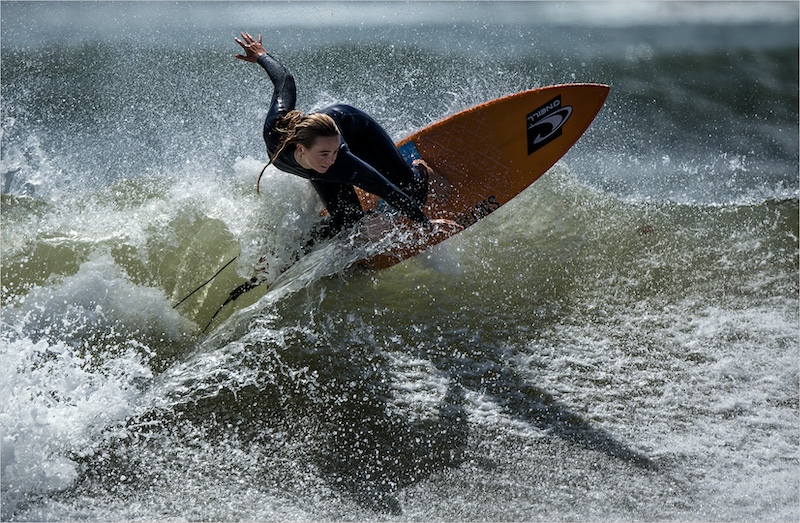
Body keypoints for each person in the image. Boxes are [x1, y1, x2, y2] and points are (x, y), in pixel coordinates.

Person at [235, 32, 448, 240]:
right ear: (301, 149)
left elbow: (385, 189)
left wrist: (427, 225)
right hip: (316, 160)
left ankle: (420, 169)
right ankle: (292, 253)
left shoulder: (339, 160)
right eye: (325, 154)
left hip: (358, 129)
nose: (331, 159)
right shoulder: (275, 129)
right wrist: (262, 57)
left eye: (335, 152)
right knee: (348, 224)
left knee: (415, 195)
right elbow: (284, 81)